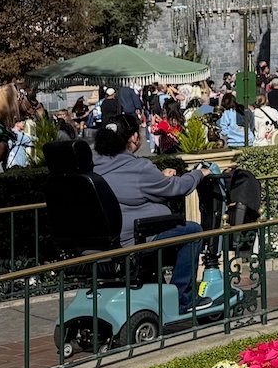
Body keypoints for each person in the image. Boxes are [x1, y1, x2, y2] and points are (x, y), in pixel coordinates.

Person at [90, 116, 212, 313]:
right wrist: (199, 174)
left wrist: (158, 178)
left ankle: (159, 293)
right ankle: (182, 299)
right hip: (129, 241)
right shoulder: (137, 167)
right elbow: (177, 188)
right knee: (193, 233)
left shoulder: (91, 165)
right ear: (134, 138)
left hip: (94, 244)